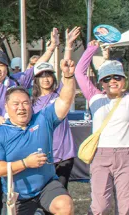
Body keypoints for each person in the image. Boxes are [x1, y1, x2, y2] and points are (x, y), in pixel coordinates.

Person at [74, 25, 129, 215]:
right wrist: (90, 50)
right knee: (100, 207)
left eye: (117, 77)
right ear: (101, 82)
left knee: (126, 207)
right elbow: (79, 73)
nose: (112, 81)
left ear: (124, 81)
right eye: (107, 78)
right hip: (100, 156)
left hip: (127, 155)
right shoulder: (95, 98)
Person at [0, 58, 77, 215]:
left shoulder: (43, 118)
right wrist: (26, 163)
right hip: (17, 195)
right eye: (16, 104)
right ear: (6, 107)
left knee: (65, 205)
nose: (21, 107)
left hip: (47, 186)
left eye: (25, 103)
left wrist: (68, 77)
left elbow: (65, 101)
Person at [0, 28, 58, 134]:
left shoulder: (16, 81)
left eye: (1, 65)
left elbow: (37, 67)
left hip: (16, 135)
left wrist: (51, 48)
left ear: (7, 68)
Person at [30, 27, 81, 189]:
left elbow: (66, 71)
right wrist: (51, 46)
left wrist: (68, 47)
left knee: (60, 194)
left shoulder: (59, 95)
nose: (45, 79)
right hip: (42, 156)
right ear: (36, 80)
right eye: (41, 76)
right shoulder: (31, 102)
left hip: (63, 154)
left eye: (48, 75)